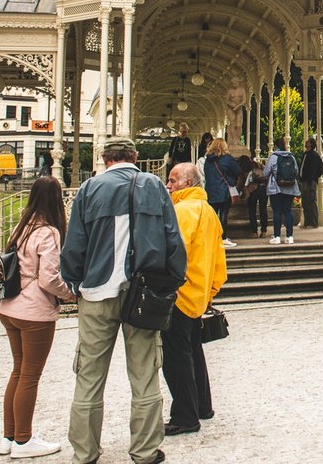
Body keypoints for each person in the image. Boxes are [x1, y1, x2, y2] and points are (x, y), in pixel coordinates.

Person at [60, 137, 187, 464]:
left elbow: (74, 244)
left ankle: (85, 452)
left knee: (88, 374)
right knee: (145, 373)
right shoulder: (154, 186)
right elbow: (173, 239)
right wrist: (171, 282)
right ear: (135, 156)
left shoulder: (89, 190)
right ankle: (144, 451)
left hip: (97, 291)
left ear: (104, 159)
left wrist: (75, 283)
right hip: (143, 293)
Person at [0, 176, 75, 459]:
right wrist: (70, 294)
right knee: (30, 375)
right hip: (34, 312)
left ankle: (9, 436)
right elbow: (49, 278)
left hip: (10, 308)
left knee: (18, 371)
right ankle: (23, 439)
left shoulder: (21, 227)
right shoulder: (48, 232)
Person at [161, 163, 227, 436]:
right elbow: (219, 258)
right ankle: (202, 405)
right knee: (193, 351)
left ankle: (185, 416)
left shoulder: (182, 211)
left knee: (176, 358)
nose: (168, 185)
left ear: (187, 183)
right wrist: (211, 290)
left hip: (180, 294)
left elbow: (175, 253)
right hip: (198, 293)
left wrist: (166, 286)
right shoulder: (208, 211)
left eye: (173, 180)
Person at [203, 138, 242, 249]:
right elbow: (238, 170)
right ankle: (223, 238)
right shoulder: (227, 159)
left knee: (213, 215)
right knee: (224, 215)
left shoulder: (207, 160)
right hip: (224, 190)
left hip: (210, 191)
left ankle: (213, 237)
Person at [262, 137, 300, 244]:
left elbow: (266, 173)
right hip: (290, 187)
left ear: (275, 146)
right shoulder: (291, 157)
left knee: (277, 211)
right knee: (288, 210)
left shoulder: (274, 157)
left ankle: (277, 236)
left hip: (276, 188)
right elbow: (296, 171)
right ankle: (289, 236)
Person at [298, 137, 323, 228]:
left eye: (307, 142)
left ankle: (313, 223)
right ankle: (307, 222)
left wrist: (313, 178)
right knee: (305, 202)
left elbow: (318, 168)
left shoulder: (314, 155)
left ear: (311, 144)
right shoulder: (305, 154)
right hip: (304, 181)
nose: (305, 143)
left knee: (311, 201)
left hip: (310, 181)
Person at [239, 156, 268, 238]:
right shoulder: (258, 165)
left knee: (252, 210)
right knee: (263, 209)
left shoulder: (244, 169)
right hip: (262, 188)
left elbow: (241, 183)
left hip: (252, 190)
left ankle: (254, 232)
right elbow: (266, 173)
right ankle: (264, 231)